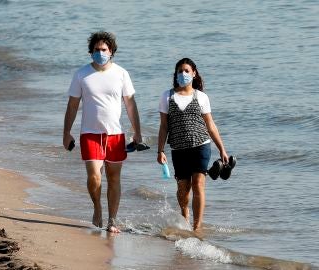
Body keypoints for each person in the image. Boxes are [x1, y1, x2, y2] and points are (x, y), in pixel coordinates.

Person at [63, 31, 142, 233]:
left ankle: (112, 220)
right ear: (91, 52)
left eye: (104, 49)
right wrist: (66, 133)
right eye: (96, 50)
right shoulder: (81, 74)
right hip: (90, 133)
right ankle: (97, 208)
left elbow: (131, 105)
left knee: (114, 179)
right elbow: (72, 105)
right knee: (94, 177)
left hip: (115, 135)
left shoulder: (121, 74)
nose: (100, 53)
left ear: (111, 51)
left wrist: (137, 132)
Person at [157, 58, 229, 231]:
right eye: (180, 71)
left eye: (187, 71)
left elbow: (211, 126)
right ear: (175, 74)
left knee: (198, 184)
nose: (183, 74)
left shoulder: (201, 97)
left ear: (194, 73)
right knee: (183, 190)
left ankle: (196, 227)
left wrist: (222, 149)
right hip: (178, 149)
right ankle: (185, 214)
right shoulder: (167, 96)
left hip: (201, 146)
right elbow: (164, 126)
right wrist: (160, 150)